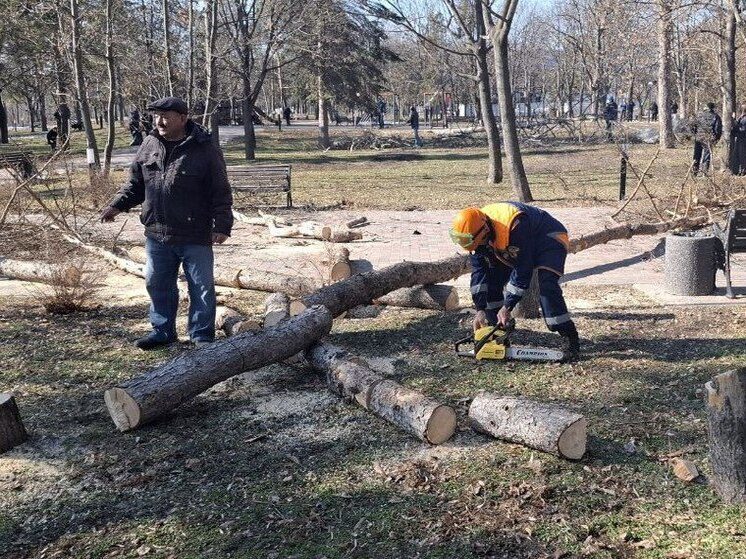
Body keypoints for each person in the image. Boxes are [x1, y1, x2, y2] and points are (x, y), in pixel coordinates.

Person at [99, 96, 233, 350]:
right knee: (156, 283)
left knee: (202, 287)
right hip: (157, 233)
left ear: (182, 118)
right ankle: (162, 331)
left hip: (195, 233)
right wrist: (116, 205)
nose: (160, 121)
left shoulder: (204, 148)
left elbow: (220, 190)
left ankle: (201, 335)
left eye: (166, 117)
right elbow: (136, 185)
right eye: (156, 116)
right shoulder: (149, 144)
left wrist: (222, 225)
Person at [449, 203, 580, 361]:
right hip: (512, 242)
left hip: (549, 237)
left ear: (483, 232)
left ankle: (570, 337)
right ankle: (497, 332)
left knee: (547, 288)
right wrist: (480, 309)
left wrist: (507, 306)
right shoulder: (475, 235)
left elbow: (523, 269)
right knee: (491, 282)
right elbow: (479, 274)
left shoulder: (515, 225)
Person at [692, 102, 723, 176]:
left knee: (696, 155)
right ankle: (704, 173)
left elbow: (693, 127)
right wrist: (716, 139)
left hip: (698, 138)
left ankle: (694, 172)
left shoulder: (699, 115)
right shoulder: (716, 116)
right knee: (706, 156)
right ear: (713, 108)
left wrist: (696, 134)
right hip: (708, 138)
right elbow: (718, 129)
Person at [730, 104, 746, 175]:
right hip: (740, 138)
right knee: (737, 155)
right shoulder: (741, 117)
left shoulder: (745, 119)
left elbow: (742, 129)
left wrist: (734, 120)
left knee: (742, 155)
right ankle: (736, 171)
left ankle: (743, 171)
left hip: (743, 139)